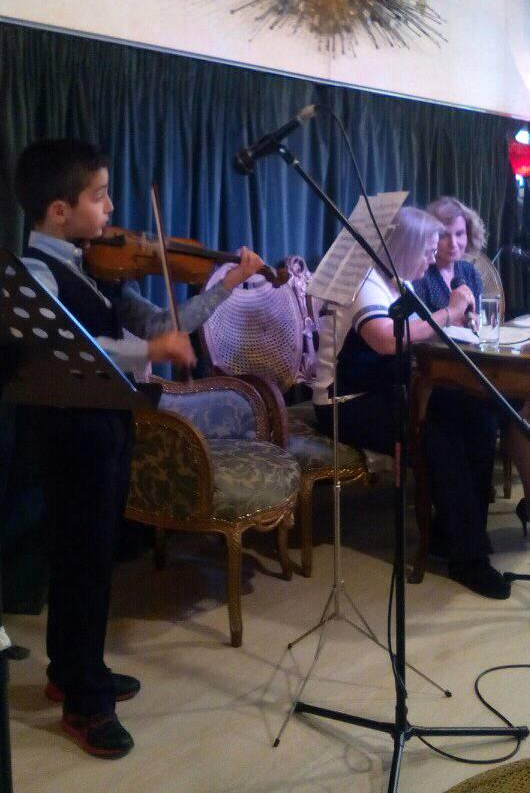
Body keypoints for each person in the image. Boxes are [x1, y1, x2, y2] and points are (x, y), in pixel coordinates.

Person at [13, 138, 265, 758]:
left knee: (92, 558)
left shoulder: (96, 268)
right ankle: (84, 702)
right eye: (99, 197)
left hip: (106, 427)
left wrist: (231, 282)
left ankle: (72, 670)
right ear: (59, 211)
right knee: (80, 560)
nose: (111, 209)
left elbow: (164, 325)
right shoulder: (34, 272)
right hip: (68, 434)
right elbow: (72, 345)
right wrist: (152, 353)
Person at [312, 206, 511, 600]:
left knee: (478, 417)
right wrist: (448, 312)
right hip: (347, 401)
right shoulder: (365, 281)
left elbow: (419, 336)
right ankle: (467, 559)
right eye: (426, 251)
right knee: (437, 435)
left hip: (387, 388)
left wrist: (457, 321)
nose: (429, 259)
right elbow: (386, 339)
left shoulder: (397, 279)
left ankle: (450, 535)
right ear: (404, 247)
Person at [415, 196, 530, 537]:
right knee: (497, 412)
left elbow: (477, 324)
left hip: (475, 366)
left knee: (524, 407)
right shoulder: (421, 274)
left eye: (460, 234)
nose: (454, 243)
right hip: (439, 378)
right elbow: (418, 335)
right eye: (444, 235)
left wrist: (475, 323)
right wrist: (453, 314)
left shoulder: (468, 271)